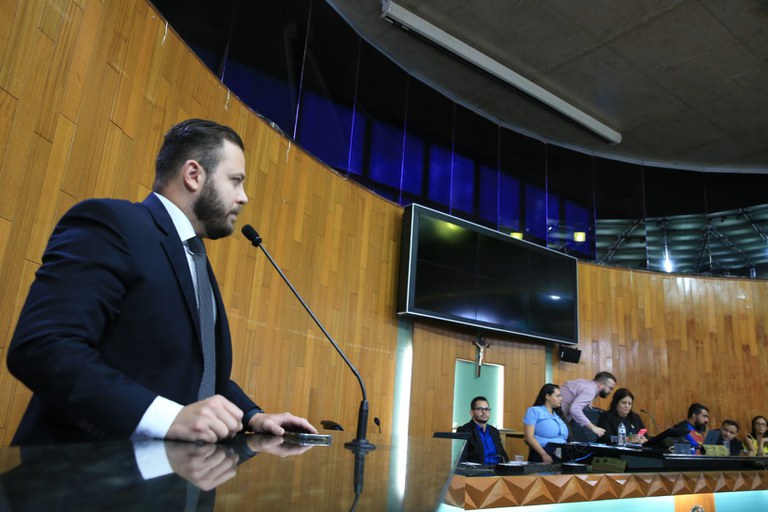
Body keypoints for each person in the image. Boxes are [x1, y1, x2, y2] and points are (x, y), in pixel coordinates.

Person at [7, 118, 317, 445]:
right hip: (83, 469)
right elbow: (43, 346)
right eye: (235, 181)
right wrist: (167, 418)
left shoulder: (195, 257)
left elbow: (197, 372)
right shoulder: (113, 225)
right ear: (194, 175)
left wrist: (252, 416)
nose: (244, 197)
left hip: (169, 472)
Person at [560, 371, 617, 438]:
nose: (611, 392)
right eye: (610, 388)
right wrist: (593, 427)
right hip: (557, 419)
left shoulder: (586, 384)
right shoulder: (590, 391)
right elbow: (574, 409)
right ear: (601, 384)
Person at [523, 384, 569, 463]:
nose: (561, 399)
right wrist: (543, 454)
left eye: (561, 396)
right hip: (544, 452)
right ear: (547, 396)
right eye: (557, 396)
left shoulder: (558, 415)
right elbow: (528, 437)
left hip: (562, 453)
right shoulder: (534, 411)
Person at [456, 396, 509, 464]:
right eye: (480, 409)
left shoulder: (494, 431)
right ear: (472, 412)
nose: (484, 412)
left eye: (487, 409)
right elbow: (461, 460)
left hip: (498, 468)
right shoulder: (464, 431)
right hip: (478, 469)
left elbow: (503, 456)